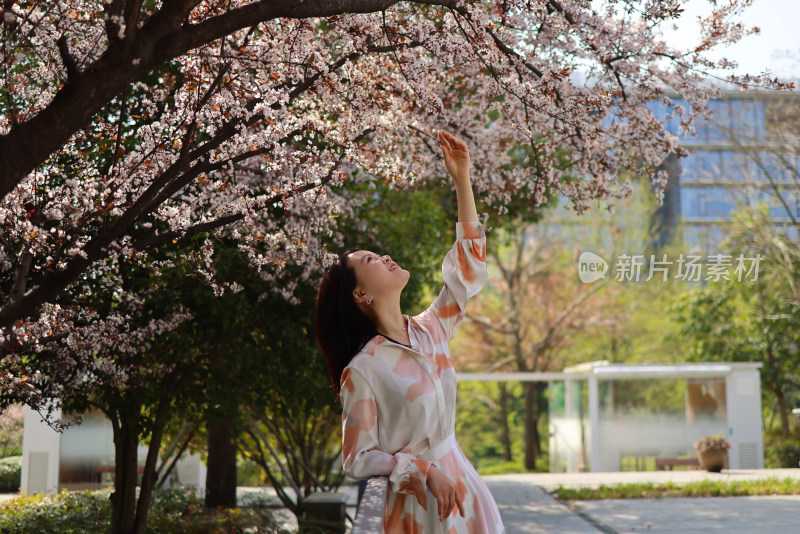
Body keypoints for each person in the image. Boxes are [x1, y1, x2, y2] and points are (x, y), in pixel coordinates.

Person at [316, 130, 505, 533]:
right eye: (370, 258)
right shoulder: (363, 370)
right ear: (360, 294)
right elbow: (358, 458)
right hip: (420, 505)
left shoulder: (430, 330)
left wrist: (462, 181)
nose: (384, 256)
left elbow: (467, 273)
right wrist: (422, 470)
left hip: (464, 490)